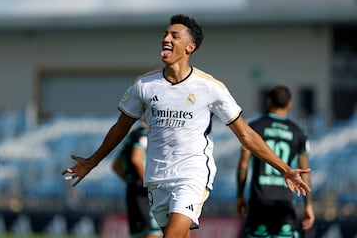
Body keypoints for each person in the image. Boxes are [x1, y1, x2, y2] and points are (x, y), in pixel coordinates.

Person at [62, 14, 311, 238]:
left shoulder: (210, 87)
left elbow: (245, 134)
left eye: (174, 35)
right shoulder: (144, 85)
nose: (166, 38)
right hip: (157, 178)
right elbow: (120, 129)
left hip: (192, 175)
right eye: (165, 34)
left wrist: (284, 169)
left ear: (190, 47)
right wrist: (91, 162)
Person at [236, 85, 315, 238]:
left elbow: (243, 165)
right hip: (284, 201)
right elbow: (304, 172)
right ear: (289, 105)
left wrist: (240, 196)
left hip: (259, 201)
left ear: (269, 102)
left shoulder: (254, 128)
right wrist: (308, 206)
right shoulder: (299, 132)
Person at [112, 120, 162, 238]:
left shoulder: (133, 135)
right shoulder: (145, 134)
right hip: (145, 193)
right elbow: (136, 159)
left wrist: (132, 182)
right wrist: (148, 182)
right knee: (152, 233)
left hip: (132, 190)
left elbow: (116, 166)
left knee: (139, 234)